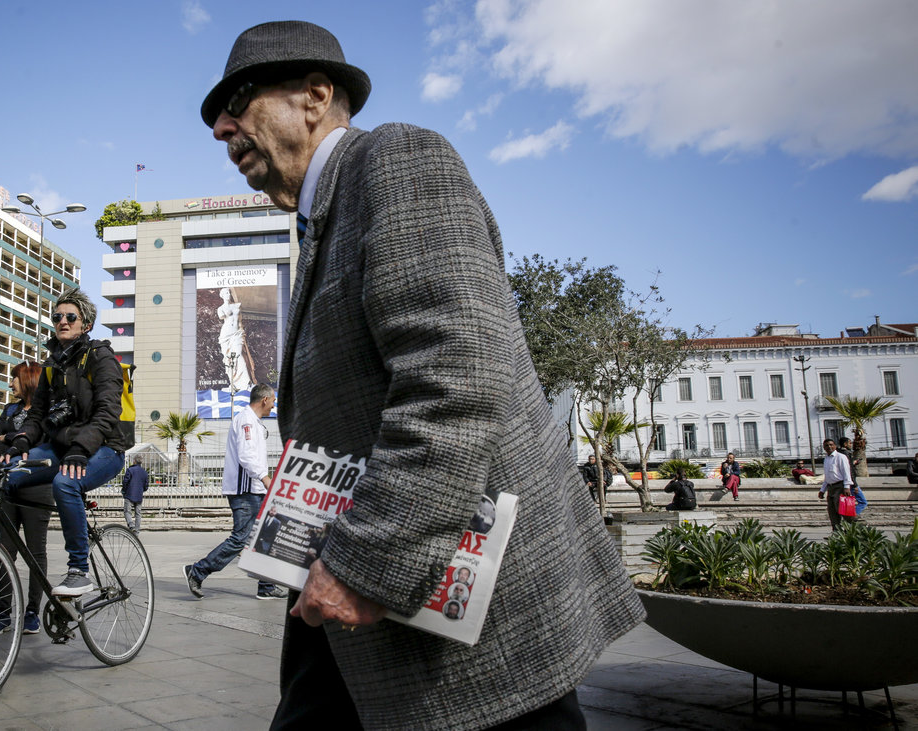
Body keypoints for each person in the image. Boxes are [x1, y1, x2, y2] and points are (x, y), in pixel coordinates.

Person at [202, 21, 642, 728]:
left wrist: (364, 561)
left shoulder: (398, 160)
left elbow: (456, 378)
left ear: (316, 96)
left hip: (467, 631)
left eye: (239, 100)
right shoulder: (322, 219)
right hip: (362, 598)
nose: (222, 127)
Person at [5, 289, 128, 598]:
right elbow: (38, 417)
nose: (62, 321)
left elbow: (108, 412)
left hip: (104, 449)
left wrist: (80, 448)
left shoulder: (101, 358)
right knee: (5, 474)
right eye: (57, 316)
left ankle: (78, 570)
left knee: (65, 483)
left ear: (85, 324)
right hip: (63, 448)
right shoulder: (51, 365)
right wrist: (20, 442)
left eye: (70, 317)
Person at [184, 384, 287, 601]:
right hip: (245, 490)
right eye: (273, 400)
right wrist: (266, 478)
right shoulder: (246, 420)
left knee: (265, 535)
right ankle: (198, 571)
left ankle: (266, 586)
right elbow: (247, 456)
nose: (274, 405)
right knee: (240, 538)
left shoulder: (255, 423)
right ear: (265, 399)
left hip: (254, 488)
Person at [0, 361, 49, 635]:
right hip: (8, 484)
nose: (11, 385)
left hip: (37, 485)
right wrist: (12, 444)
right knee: (4, 551)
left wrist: (8, 437)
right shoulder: (10, 409)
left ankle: (32, 611)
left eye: (15, 380)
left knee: (36, 551)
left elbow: (41, 442)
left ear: (29, 380)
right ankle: (3, 612)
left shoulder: (46, 411)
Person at [217, 287, 254, 393]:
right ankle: (233, 384)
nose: (228, 294)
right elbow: (223, 317)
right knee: (229, 358)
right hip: (226, 336)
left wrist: (241, 331)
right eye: (225, 293)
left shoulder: (237, 305)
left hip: (237, 334)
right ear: (222, 296)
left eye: (228, 292)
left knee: (238, 355)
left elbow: (239, 320)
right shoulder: (220, 309)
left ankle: (247, 383)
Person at [818, 439, 857, 530]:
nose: (829, 447)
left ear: (835, 446)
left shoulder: (841, 457)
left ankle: (854, 528)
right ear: (824, 447)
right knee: (832, 511)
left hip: (840, 487)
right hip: (831, 488)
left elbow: (846, 472)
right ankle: (836, 532)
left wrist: (847, 486)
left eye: (831, 445)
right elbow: (827, 476)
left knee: (843, 510)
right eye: (827, 445)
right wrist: (822, 490)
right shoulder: (826, 459)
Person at [121, 454, 149, 534]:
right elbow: (146, 486)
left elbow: (125, 482)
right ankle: (136, 531)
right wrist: (141, 490)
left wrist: (124, 490)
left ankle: (131, 525)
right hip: (139, 495)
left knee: (127, 511)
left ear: (134, 461)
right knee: (138, 513)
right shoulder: (144, 472)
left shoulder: (130, 470)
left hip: (129, 494)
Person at [838, 437, 867, 514]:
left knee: (846, 503)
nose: (851, 445)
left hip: (842, 483)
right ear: (845, 444)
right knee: (863, 502)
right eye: (850, 443)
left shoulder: (838, 453)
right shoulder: (847, 454)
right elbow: (849, 471)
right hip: (850, 483)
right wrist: (854, 485)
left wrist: (853, 463)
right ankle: (852, 516)